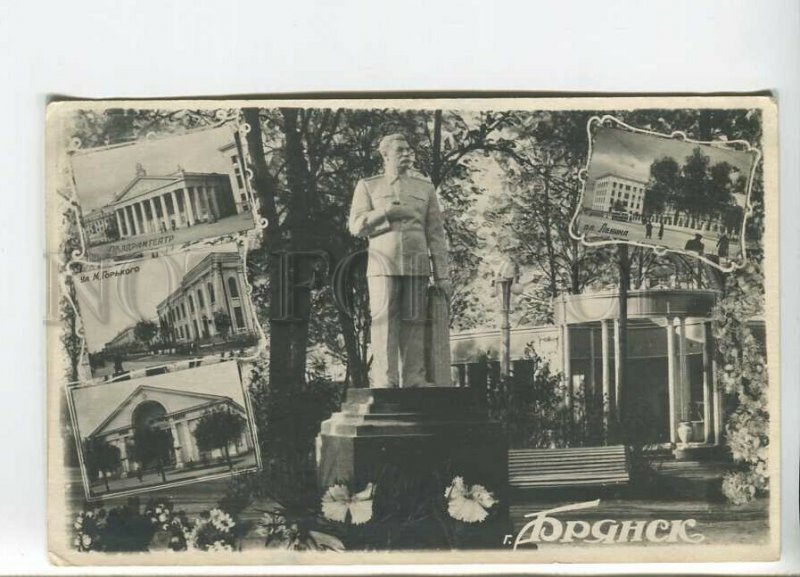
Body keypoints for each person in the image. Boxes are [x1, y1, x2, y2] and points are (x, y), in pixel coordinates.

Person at [348, 134, 451, 388]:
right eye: (401, 150)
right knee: (383, 320)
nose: (408, 153)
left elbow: (436, 234)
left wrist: (442, 275)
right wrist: (385, 213)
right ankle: (385, 379)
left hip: (417, 263)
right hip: (383, 264)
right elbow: (356, 227)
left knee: (414, 321)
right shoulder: (368, 186)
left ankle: (414, 378)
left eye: (409, 149)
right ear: (386, 155)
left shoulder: (424, 188)